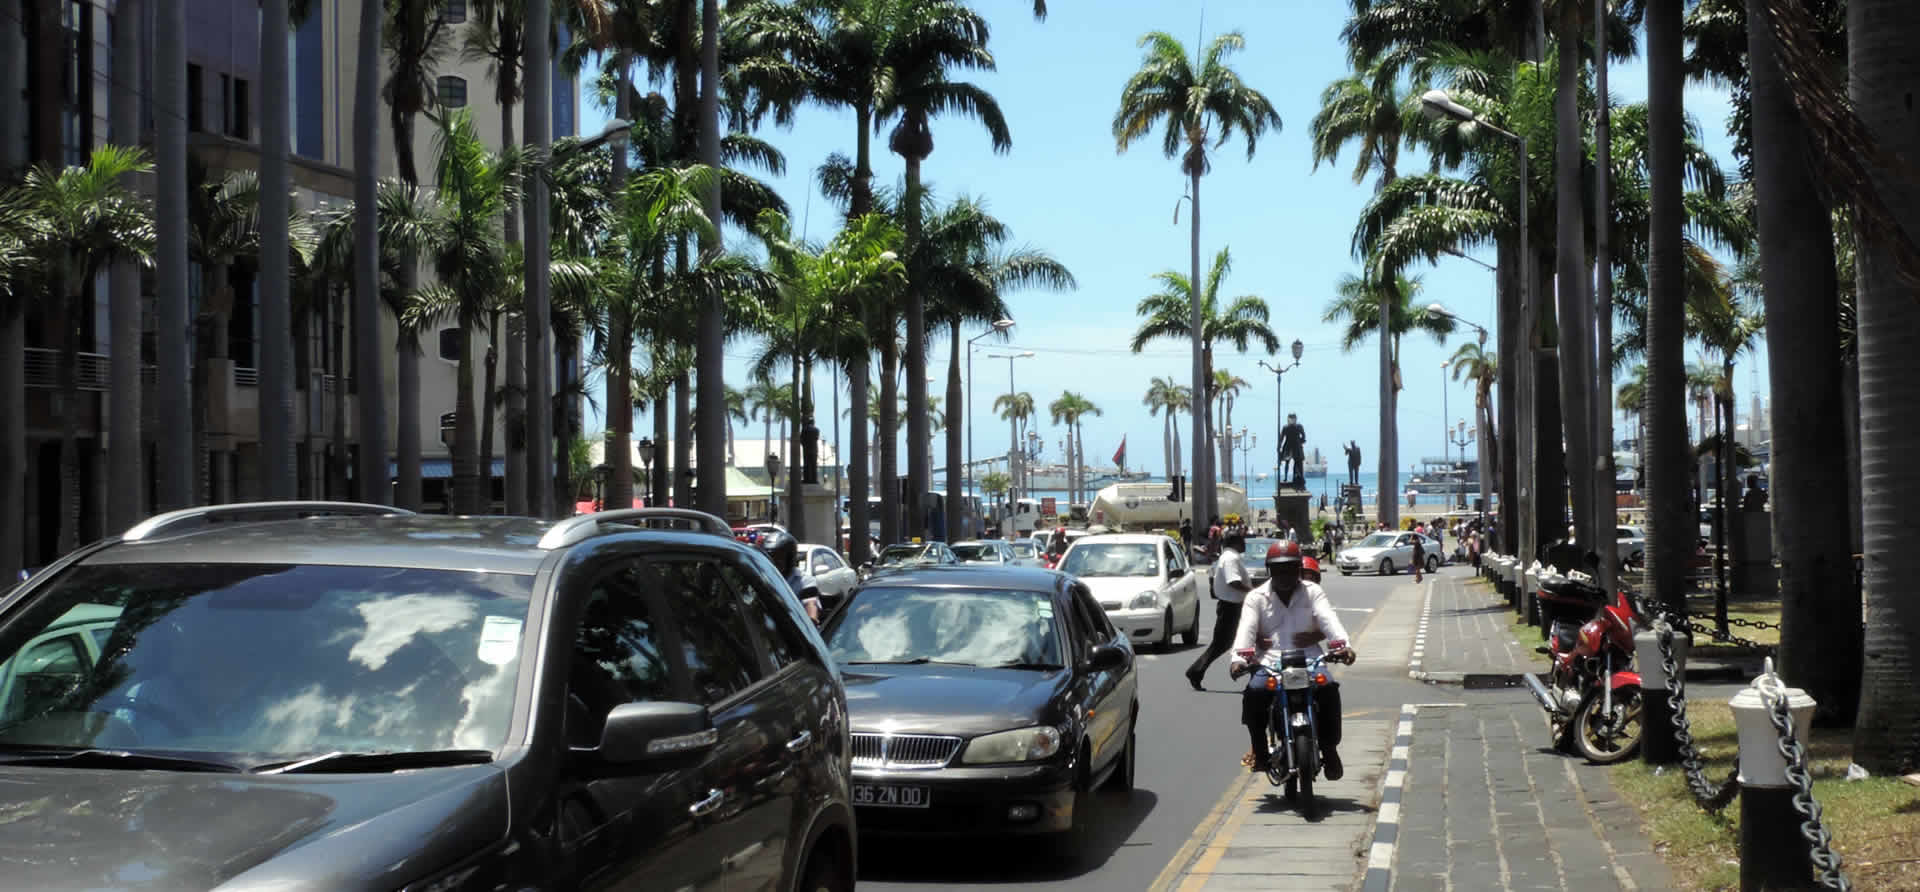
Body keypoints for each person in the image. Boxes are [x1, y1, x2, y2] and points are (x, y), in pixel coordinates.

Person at [1229, 541, 1354, 778]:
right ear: (1269, 570)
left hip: (1309, 660)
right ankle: (1261, 751)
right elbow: (1246, 629)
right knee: (1254, 693)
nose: (1284, 574)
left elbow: (1329, 620)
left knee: (1328, 689)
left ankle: (1329, 749)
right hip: (1270, 662)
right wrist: (1239, 658)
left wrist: (1343, 646)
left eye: (1290, 568)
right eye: (1278, 569)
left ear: (1298, 568)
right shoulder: (1256, 597)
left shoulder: (1312, 591)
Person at [1186, 531, 1254, 690]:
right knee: (1224, 643)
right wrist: (1252, 591)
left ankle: (1197, 671)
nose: (1245, 544)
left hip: (1233, 606)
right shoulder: (1231, 558)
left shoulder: (1229, 556)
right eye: (1242, 541)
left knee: (1235, 642)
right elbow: (1234, 582)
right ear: (1236, 542)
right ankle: (1196, 671)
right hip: (1231, 607)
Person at [759, 530, 823, 622]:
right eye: (769, 557)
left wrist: (811, 619)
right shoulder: (761, 578)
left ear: (789, 559)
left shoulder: (805, 581)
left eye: (778, 558)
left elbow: (810, 604)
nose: (773, 562)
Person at [1279, 414, 1307, 488]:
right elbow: (1281, 438)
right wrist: (1279, 446)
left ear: (1295, 419)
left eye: (1293, 418)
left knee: (1298, 463)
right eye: (1290, 418)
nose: (1292, 420)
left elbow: (1304, 437)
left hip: (1297, 447)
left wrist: (1300, 442)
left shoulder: (1299, 426)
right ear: (1288, 419)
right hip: (1288, 447)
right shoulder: (1285, 427)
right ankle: (1285, 477)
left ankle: (1298, 478)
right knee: (1287, 463)